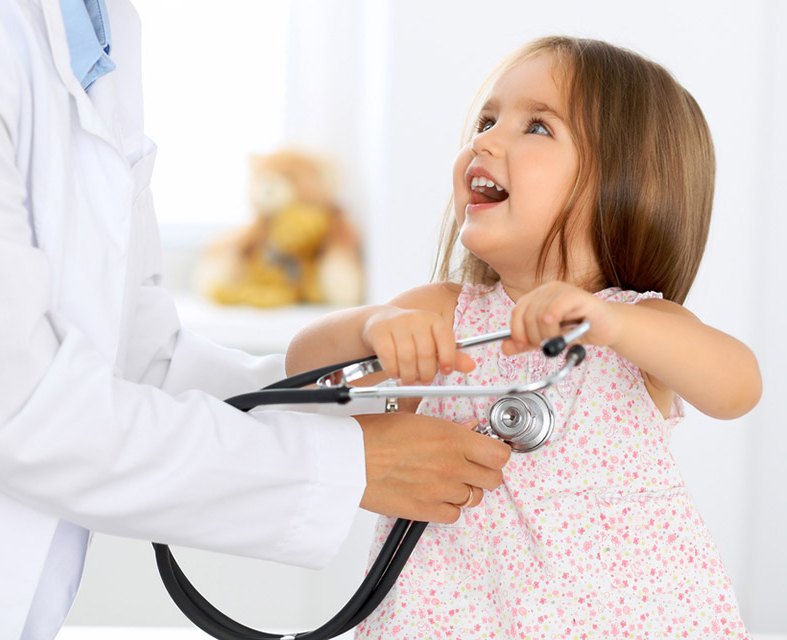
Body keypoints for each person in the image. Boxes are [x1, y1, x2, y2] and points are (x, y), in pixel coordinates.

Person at [0, 1, 511, 638]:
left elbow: (137, 354)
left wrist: (346, 395)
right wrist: (349, 465)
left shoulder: (102, 26)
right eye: (487, 120)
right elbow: (17, 405)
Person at [286, 36, 763, 638]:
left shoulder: (637, 326)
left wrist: (611, 322)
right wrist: (369, 327)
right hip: (452, 618)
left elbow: (738, 386)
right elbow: (300, 375)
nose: (483, 140)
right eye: (488, 119)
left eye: (537, 127)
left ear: (627, 183)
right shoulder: (441, 313)